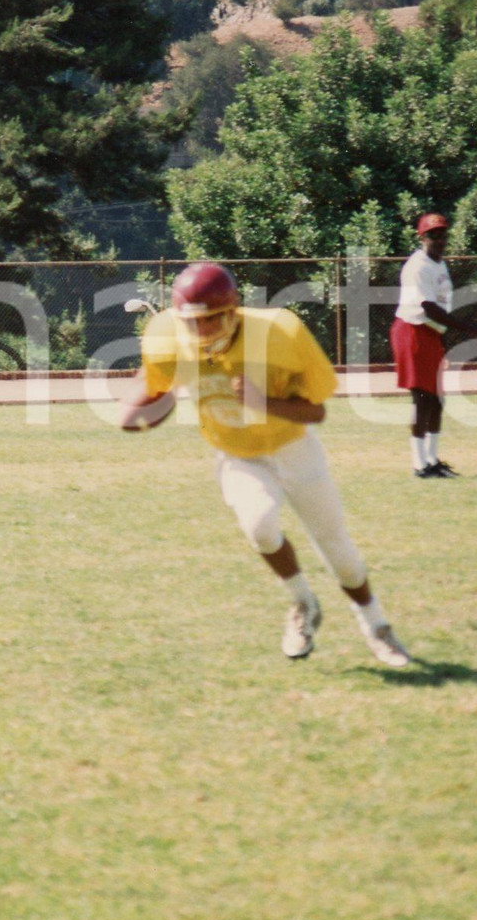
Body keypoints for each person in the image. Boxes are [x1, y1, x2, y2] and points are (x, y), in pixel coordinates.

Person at [118, 262, 411, 668]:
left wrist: (262, 403)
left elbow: (317, 413)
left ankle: (376, 625)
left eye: (210, 321)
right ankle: (303, 603)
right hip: (238, 454)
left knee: (337, 548)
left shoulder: (279, 332)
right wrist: (136, 408)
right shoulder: (167, 336)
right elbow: (151, 384)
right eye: (192, 323)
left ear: (232, 311)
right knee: (259, 526)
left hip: (293, 448)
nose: (200, 332)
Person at [390, 213, 477, 479]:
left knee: (437, 399)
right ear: (422, 237)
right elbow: (428, 308)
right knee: (422, 398)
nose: (439, 239)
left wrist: (443, 337)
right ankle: (419, 464)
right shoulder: (418, 266)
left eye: (442, 234)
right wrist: (467, 328)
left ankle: (432, 459)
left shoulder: (439, 263)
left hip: (429, 333)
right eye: (433, 235)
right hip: (413, 331)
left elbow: (440, 306)